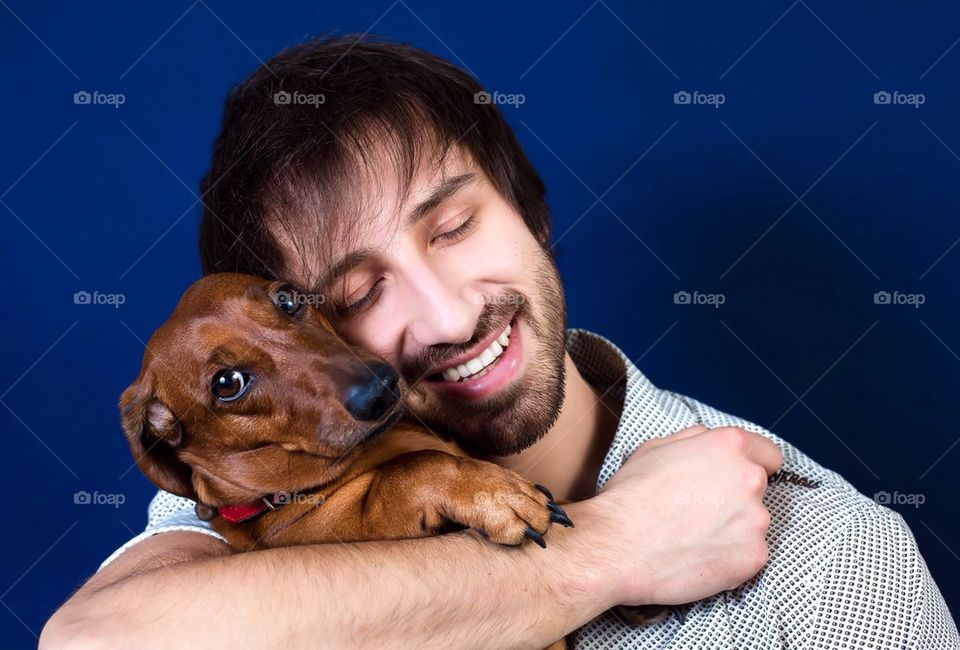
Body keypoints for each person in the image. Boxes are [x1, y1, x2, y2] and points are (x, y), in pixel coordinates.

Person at [42, 36, 958, 649]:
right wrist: (607, 551)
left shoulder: (832, 565)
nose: (443, 318)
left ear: (533, 212)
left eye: (453, 229)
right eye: (357, 294)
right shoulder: (249, 487)